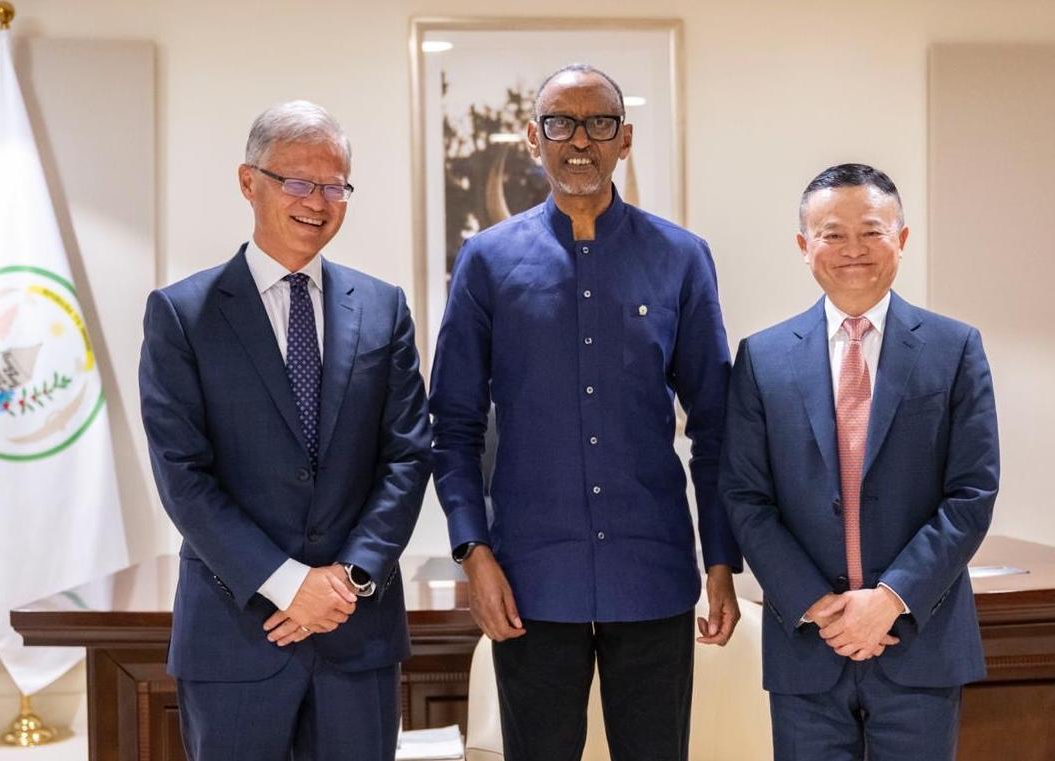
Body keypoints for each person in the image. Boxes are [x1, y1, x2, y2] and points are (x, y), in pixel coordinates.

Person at [430, 64, 742, 761]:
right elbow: (453, 427)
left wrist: (721, 557)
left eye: (599, 123)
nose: (579, 140)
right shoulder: (486, 262)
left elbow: (717, 425)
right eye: (560, 123)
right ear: (532, 137)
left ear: (624, 139)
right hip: (530, 582)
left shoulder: (682, 259)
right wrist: (474, 552)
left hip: (652, 574)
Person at [138, 100, 431, 761]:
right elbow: (183, 476)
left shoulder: (383, 308)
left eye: (335, 186)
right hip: (237, 632)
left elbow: (408, 457)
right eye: (298, 181)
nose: (317, 202)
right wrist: (288, 582)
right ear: (250, 182)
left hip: (357, 631)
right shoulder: (182, 314)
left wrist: (348, 578)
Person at [721, 163, 999, 759]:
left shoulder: (954, 349)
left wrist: (890, 600)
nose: (854, 249)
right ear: (804, 246)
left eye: (872, 231)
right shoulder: (763, 358)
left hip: (920, 642)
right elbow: (745, 497)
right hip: (807, 647)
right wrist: (820, 607)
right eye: (833, 234)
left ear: (902, 238)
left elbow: (971, 495)